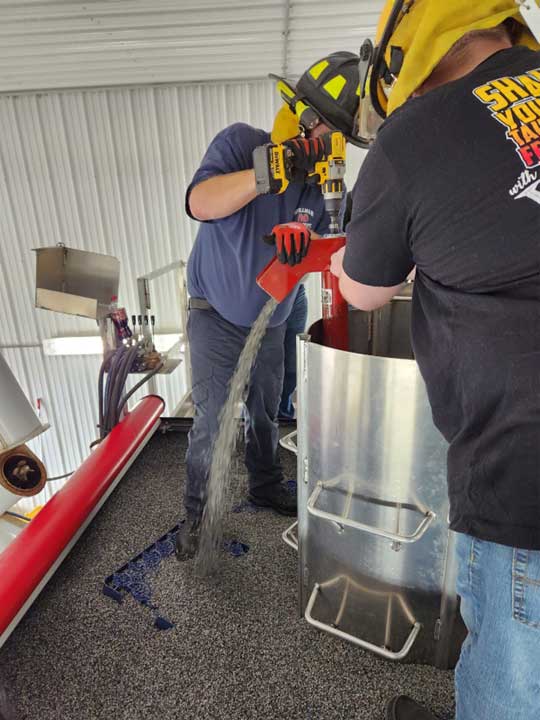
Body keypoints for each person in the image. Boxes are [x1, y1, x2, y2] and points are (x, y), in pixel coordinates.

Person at [326, 2, 540, 719]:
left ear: (401, 62)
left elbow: (361, 288)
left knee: (513, 684)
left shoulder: (417, 136)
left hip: (526, 479)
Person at [176, 52, 361, 559]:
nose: (332, 143)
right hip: (213, 314)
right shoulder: (240, 143)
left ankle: (264, 484)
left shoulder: (323, 182)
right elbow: (200, 203)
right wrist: (265, 174)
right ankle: (196, 516)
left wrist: (314, 239)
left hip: (273, 319)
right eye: (328, 129)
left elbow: (340, 245)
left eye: (340, 135)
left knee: (265, 412)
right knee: (213, 420)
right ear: (300, 113)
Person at [278, 283, 308, 423]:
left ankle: (283, 414)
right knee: (265, 370)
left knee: (292, 366)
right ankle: (259, 426)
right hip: (264, 291)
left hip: (295, 290)